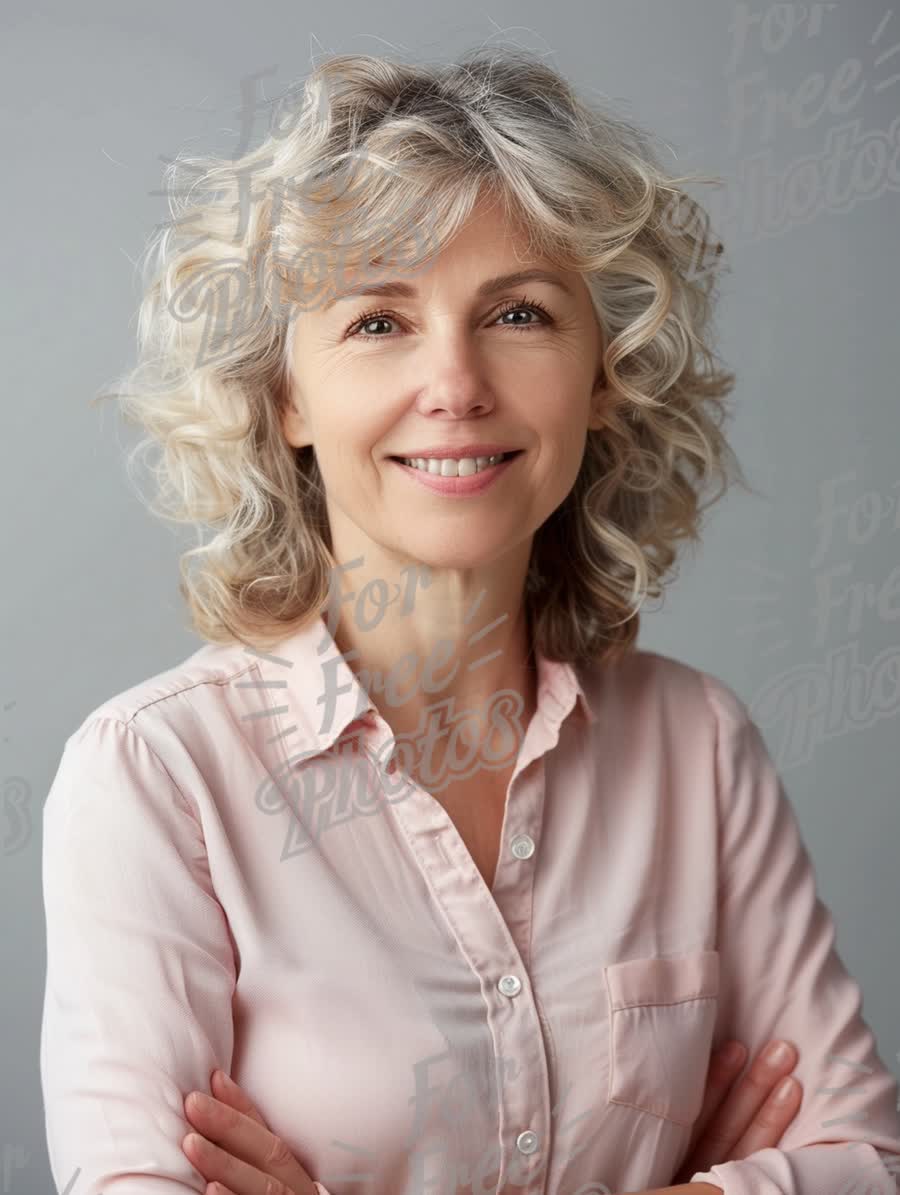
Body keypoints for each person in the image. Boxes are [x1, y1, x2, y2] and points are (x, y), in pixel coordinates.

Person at [41, 46, 900, 1195]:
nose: (455, 383)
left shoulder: (700, 744)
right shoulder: (155, 776)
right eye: (378, 322)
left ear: (604, 375)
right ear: (285, 394)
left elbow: (863, 1162)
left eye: (517, 312)